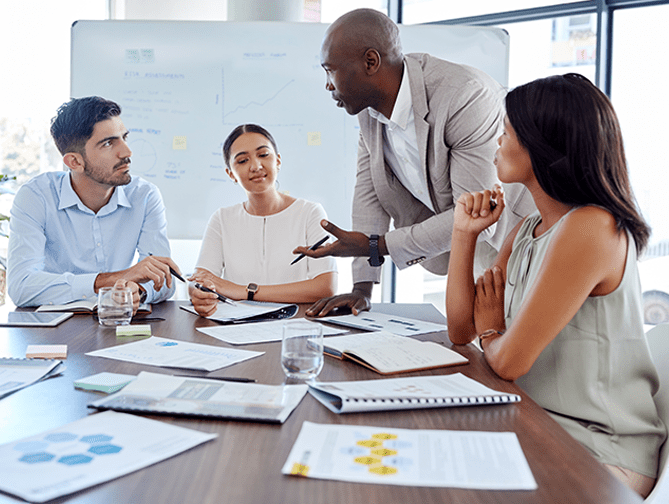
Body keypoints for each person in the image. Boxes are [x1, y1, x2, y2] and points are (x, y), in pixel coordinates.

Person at [446, 73, 666, 498]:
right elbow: (460, 331)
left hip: (597, 451)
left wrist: (492, 330)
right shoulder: (528, 229)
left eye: (506, 132)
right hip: (536, 425)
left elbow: (508, 362)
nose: (496, 141)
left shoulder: (591, 227)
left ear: (543, 145)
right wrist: (463, 234)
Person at [297, 8, 535, 317]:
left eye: (330, 70)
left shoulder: (463, 96)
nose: (328, 85)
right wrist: (361, 289)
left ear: (371, 62)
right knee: (480, 344)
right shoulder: (371, 115)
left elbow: (476, 212)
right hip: (468, 256)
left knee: (516, 354)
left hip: (522, 242)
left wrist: (377, 245)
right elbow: (369, 197)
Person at [7, 96, 181, 309]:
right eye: (108, 143)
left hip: (120, 322)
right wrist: (111, 280)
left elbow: (164, 278)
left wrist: (139, 292)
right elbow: (22, 286)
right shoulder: (36, 197)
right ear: (75, 161)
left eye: (124, 137)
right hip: (54, 331)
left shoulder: (144, 196)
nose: (127, 152)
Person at [187, 124, 338, 317]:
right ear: (231, 174)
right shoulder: (222, 218)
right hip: (236, 327)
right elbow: (199, 279)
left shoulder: (310, 212)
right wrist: (198, 293)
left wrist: (243, 291)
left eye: (264, 154)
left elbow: (326, 286)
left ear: (278, 160)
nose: (256, 166)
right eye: (242, 160)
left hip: (294, 324)